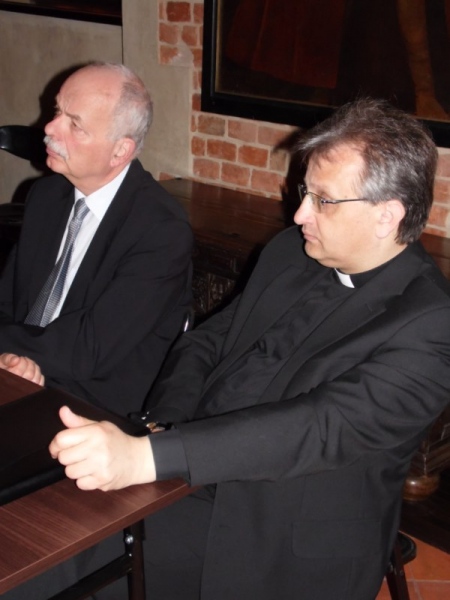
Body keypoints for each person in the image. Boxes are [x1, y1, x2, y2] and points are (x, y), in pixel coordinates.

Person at [7, 98, 450, 600]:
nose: (300, 213)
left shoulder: (429, 323)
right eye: (305, 192)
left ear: (386, 216)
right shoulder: (293, 252)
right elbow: (207, 341)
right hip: (189, 460)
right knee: (34, 521)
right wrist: (164, 426)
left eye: (324, 200)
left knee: (56, 561)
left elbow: (317, 427)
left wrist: (149, 458)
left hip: (275, 528)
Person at [0, 62, 193, 416]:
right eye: (58, 111)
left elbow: (89, 350)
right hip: (25, 376)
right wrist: (12, 358)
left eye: (75, 124)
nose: (50, 128)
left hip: (94, 408)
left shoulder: (161, 231)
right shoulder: (47, 195)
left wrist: (20, 355)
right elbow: (8, 300)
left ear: (120, 151)